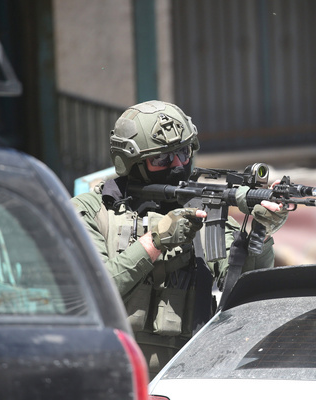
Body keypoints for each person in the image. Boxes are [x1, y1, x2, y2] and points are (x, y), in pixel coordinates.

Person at [71, 100, 288, 377]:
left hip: (187, 374)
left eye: (183, 152)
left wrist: (262, 231)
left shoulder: (204, 212)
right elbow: (91, 293)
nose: (177, 165)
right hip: (111, 373)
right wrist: (154, 242)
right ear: (131, 163)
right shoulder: (92, 211)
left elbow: (246, 291)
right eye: (161, 159)